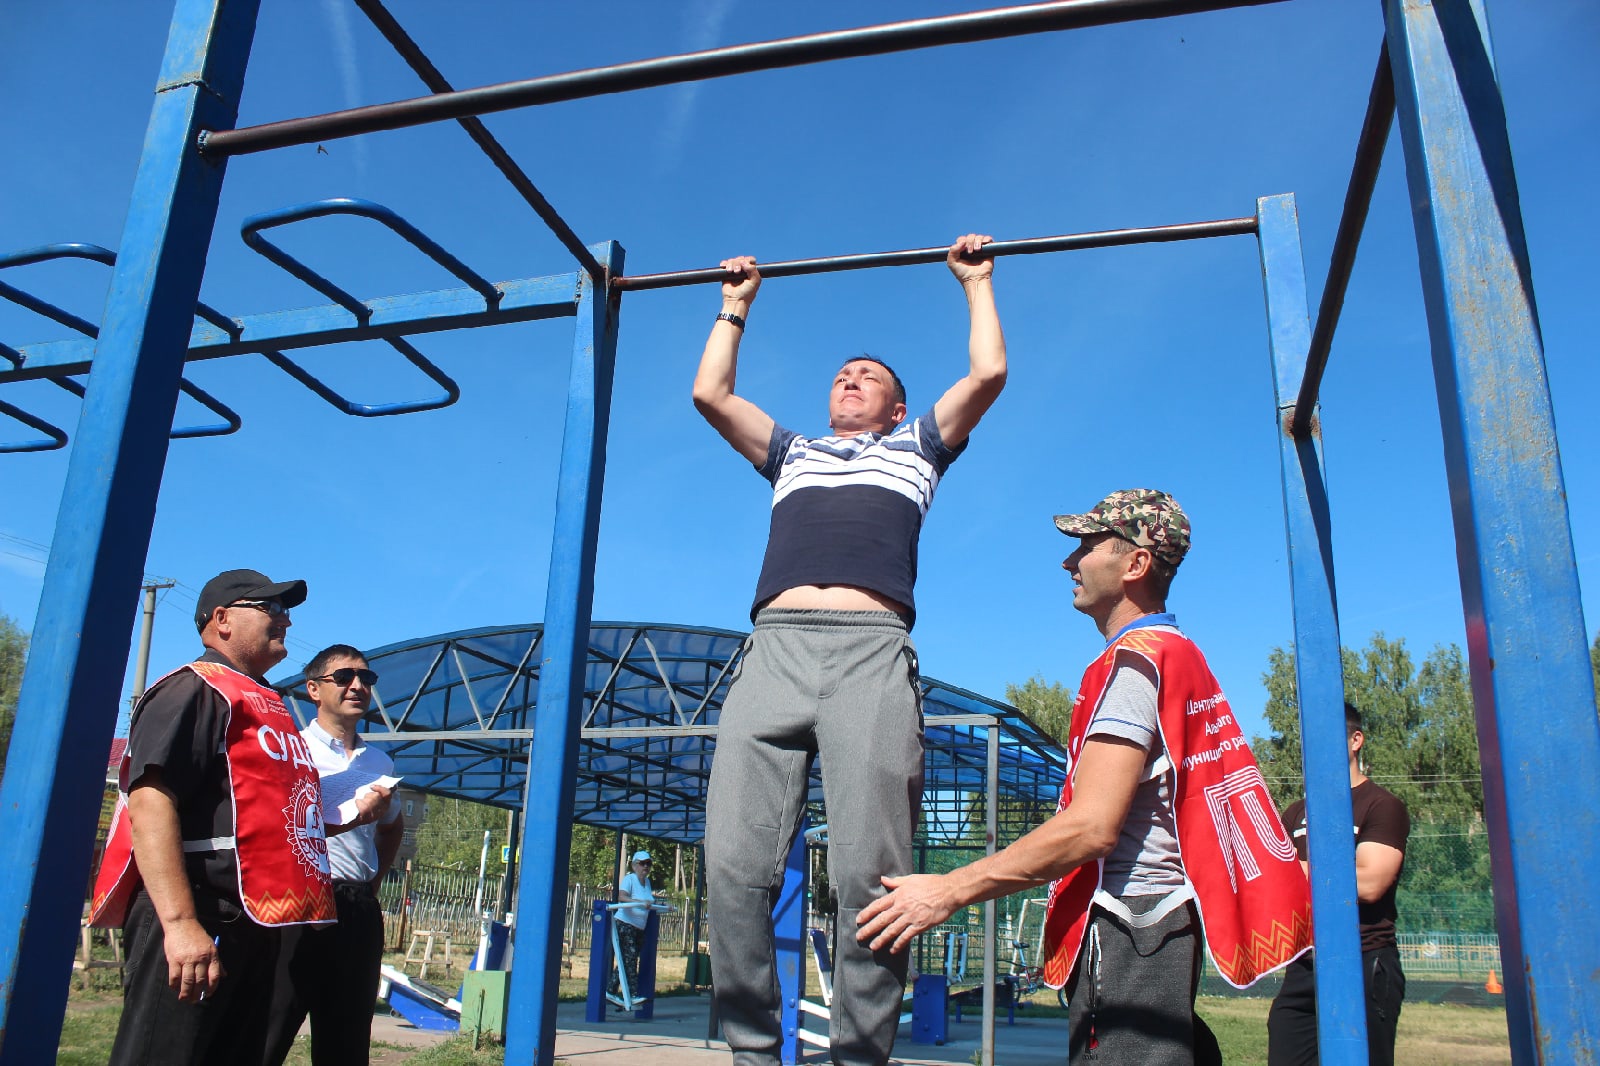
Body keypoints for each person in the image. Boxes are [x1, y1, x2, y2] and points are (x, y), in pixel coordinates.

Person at [856, 490, 1313, 1065]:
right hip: (1157, 934)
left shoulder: (1135, 664)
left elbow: (1091, 827)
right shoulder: (1175, 654)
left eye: (1088, 546)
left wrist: (949, 890)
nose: (1069, 562)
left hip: (1130, 932)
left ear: (1136, 563)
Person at [694, 234, 1008, 1065]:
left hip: (870, 654)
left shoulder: (918, 448)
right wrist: (735, 306)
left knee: (871, 877)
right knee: (732, 866)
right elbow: (710, 393)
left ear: (898, 408)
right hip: (775, 651)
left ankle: (859, 1056)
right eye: (841, 373)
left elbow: (987, 375)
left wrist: (975, 283)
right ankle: (754, 1053)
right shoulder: (792, 453)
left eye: (868, 375)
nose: (850, 378)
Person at [90, 570, 388, 1066]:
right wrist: (181, 924)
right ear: (222, 620)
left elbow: (280, 823)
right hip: (201, 911)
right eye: (271, 608)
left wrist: (354, 816)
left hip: (256, 927)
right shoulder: (195, 687)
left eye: (285, 610)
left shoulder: (268, 704)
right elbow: (150, 800)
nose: (285, 620)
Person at [263, 645, 404, 1065]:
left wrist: (371, 886)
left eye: (366, 678)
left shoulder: (379, 761)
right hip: (297, 905)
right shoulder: (291, 749)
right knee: (270, 1029)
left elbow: (392, 826)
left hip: (356, 907)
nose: (357, 686)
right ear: (313, 689)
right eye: (343, 677)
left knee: (347, 1039)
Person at [1267, 702, 1410, 1066]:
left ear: (1355, 740)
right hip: (1305, 964)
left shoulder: (1381, 805)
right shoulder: (1296, 811)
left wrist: (1294, 869)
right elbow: (1271, 882)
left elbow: (1369, 882)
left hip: (1364, 960)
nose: (1314, 747)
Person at [609, 850, 657, 1005]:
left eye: (648, 864)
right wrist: (639, 902)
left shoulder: (647, 883)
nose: (645, 867)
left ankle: (610, 991)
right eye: (642, 863)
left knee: (627, 959)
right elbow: (621, 897)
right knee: (630, 959)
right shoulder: (629, 879)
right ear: (634, 865)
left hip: (639, 928)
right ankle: (633, 994)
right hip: (625, 924)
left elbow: (648, 902)